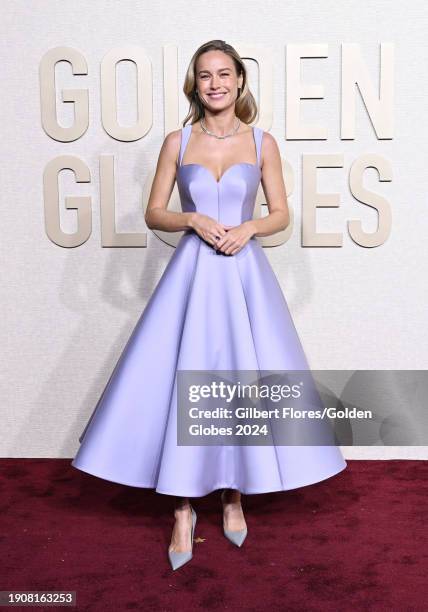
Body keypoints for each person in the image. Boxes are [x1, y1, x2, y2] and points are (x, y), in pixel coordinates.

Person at [71, 39, 347, 571]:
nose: (215, 83)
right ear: (193, 84)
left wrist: (249, 226)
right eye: (205, 75)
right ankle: (181, 508)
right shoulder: (177, 141)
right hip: (193, 277)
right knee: (183, 379)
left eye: (224, 74)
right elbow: (155, 212)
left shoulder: (262, 142)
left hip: (244, 277)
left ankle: (234, 495)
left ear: (240, 80)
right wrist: (193, 219)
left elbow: (281, 214)